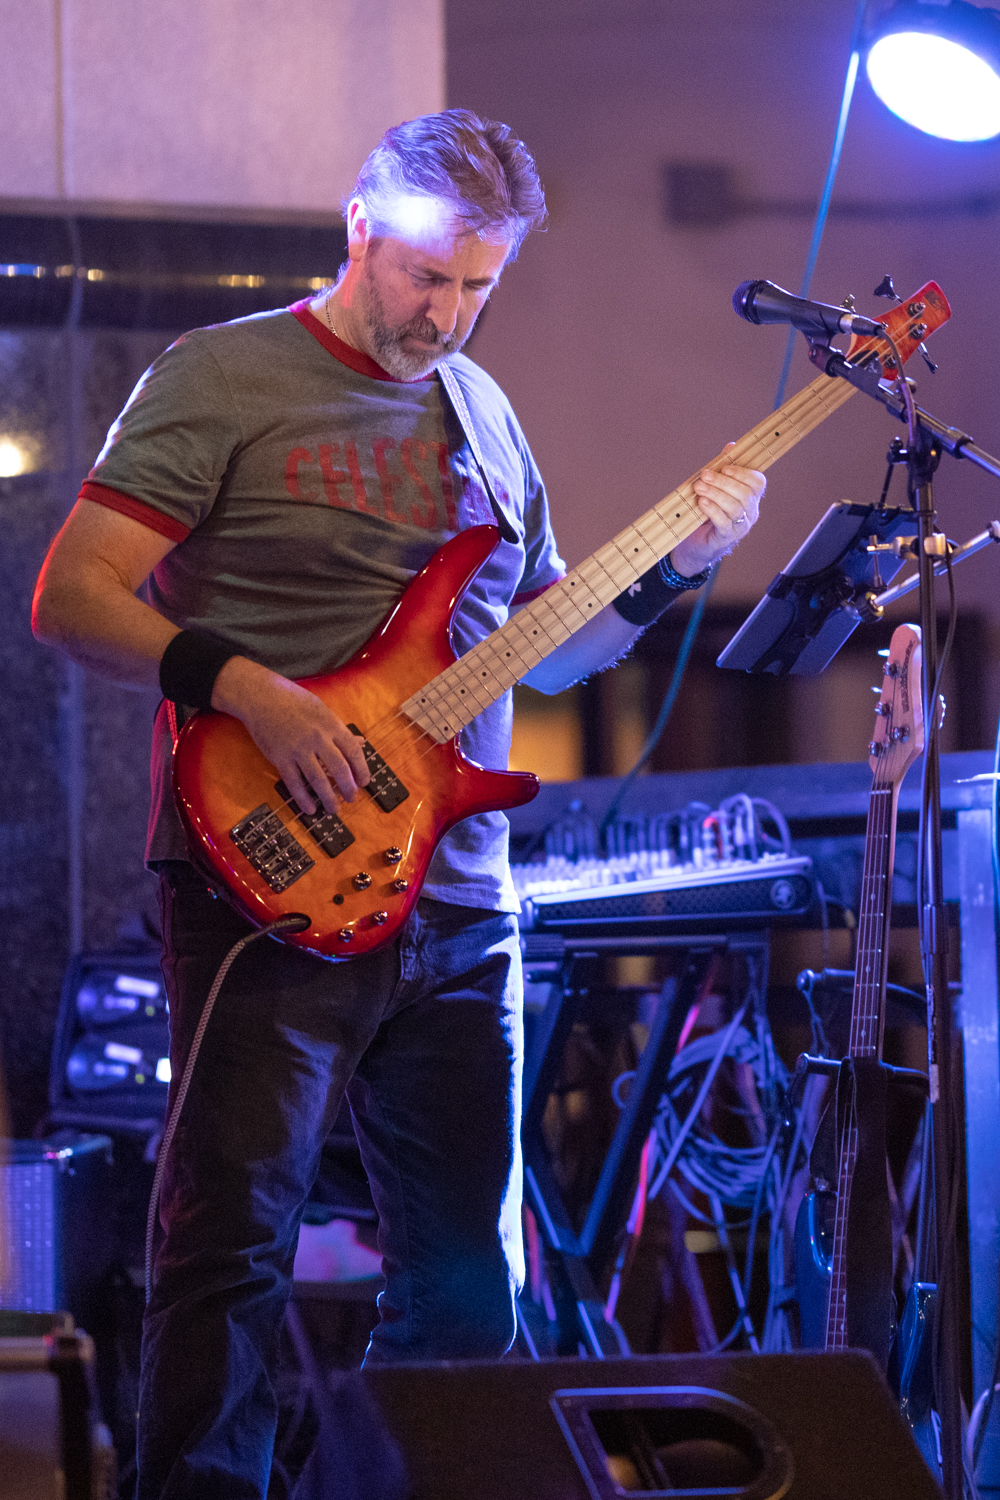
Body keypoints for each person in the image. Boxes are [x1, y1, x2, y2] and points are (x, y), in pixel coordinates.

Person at [31, 110, 765, 1499]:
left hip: (460, 896)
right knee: (229, 1246)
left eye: (482, 284)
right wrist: (248, 688)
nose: (450, 313)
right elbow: (72, 597)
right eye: (429, 275)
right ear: (359, 226)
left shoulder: (484, 412)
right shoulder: (223, 375)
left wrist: (676, 567)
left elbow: (549, 645)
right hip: (268, 877)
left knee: (468, 1284)